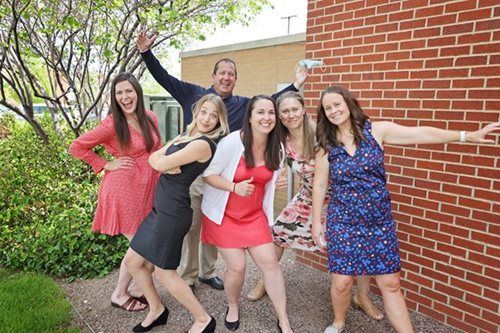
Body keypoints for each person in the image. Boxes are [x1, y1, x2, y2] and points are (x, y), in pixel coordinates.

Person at [311, 86, 500, 333]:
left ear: (348, 103)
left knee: (390, 283)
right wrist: (316, 221)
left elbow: (420, 133)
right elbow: (320, 184)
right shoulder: (327, 146)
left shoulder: (376, 131)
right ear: (324, 114)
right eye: (328, 108)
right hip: (343, 222)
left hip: (379, 223)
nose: (334, 110)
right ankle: (338, 321)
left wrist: (465, 136)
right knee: (342, 282)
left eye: (337, 104)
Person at [136, 29, 309, 290]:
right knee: (193, 227)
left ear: (235, 80)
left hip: (221, 178)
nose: (226, 77)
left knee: (213, 224)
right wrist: (145, 52)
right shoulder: (192, 95)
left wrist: (295, 85)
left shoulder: (242, 105)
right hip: (193, 176)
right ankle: (190, 274)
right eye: (222, 72)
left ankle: (207, 271)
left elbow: (269, 103)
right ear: (213, 76)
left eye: (231, 74)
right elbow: (163, 78)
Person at [246, 92, 383, 321]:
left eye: (294, 109)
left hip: (340, 201)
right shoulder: (281, 141)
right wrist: (275, 178)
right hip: (307, 197)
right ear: (280, 116)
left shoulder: (322, 133)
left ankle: (362, 296)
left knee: (356, 246)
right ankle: (265, 281)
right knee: (278, 233)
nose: (291, 115)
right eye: (285, 111)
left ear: (303, 109)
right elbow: (272, 163)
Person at [123, 94, 230, 333]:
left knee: (164, 272)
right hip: (160, 210)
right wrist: (165, 160)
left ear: (219, 121)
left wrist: (165, 160)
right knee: (133, 262)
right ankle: (156, 309)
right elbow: (154, 158)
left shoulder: (203, 144)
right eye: (204, 111)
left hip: (173, 213)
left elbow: (159, 164)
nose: (207, 118)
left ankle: (203, 319)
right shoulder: (186, 136)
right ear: (197, 111)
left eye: (214, 115)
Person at [69, 72, 161, 312]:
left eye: (128, 91)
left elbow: (158, 150)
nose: (124, 97)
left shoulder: (150, 117)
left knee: (139, 249)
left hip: (146, 189)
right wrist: (105, 164)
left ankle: (130, 289)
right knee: (144, 248)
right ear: (114, 96)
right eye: (119, 92)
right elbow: (77, 147)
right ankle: (122, 293)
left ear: (138, 92)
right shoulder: (111, 124)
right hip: (123, 190)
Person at [201, 95, 293, 333]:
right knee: (238, 266)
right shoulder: (233, 142)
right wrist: (234, 187)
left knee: (270, 262)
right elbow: (208, 175)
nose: (266, 117)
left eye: (271, 112)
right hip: (224, 216)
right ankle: (232, 306)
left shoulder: (278, 147)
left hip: (253, 216)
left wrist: (278, 183)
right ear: (250, 117)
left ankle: (283, 319)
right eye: (260, 112)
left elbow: (272, 179)